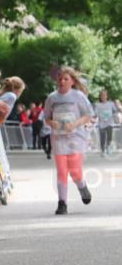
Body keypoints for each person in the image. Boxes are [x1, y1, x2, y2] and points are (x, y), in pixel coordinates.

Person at [44, 67, 94, 214]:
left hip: (76, 138)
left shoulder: (78, 96)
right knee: (61, 171)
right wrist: (51, 123)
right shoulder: (52, 98)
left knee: (75, 173)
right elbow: (46, 117)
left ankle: (82, 186)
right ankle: (62, 203)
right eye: (60, 79)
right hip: (58, 139)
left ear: (72, 81)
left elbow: (88, 115)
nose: (62, 81)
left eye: (66, 79)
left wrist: (75, 124)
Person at [93, 89, 118, 156]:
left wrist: (115, 114)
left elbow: (115, 111)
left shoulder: (111, 104)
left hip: (110, 123)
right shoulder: (98, 105)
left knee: (109, 137)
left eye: (105, 95)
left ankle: (108, 148)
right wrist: (93, 117)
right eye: (102, 95)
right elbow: (95, 114)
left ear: (107, 96)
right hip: (101, 124)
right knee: (102, 138)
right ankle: (103, 150)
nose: (103, 96)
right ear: (100, 96)